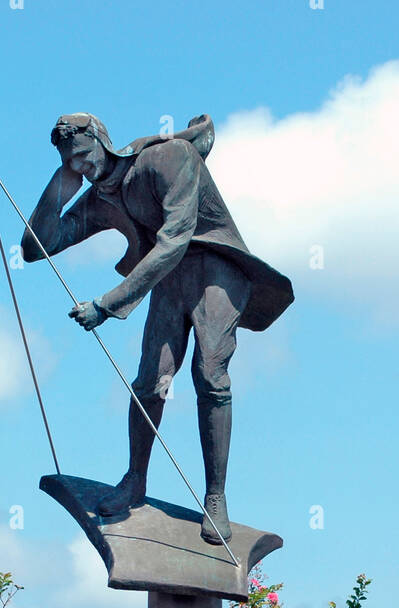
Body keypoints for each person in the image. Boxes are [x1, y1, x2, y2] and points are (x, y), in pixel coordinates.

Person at [21, 112, 294, 543]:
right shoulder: (101, 197)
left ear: (101, 139)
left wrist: (107, 305)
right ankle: (135, 481)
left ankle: (216, 497)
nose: (80, 168)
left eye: (81, 156)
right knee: (151, 380)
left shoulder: (169, 158)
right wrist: (58, 188)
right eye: (69, 163)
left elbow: (174, 239)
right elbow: (36, 248)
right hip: (170, 277)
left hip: (216, 270)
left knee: (210, 373)